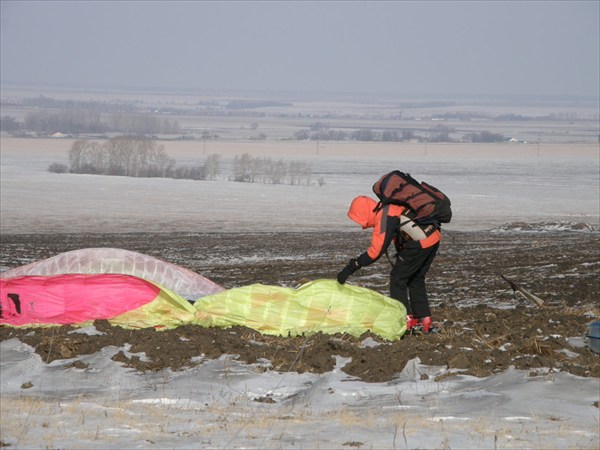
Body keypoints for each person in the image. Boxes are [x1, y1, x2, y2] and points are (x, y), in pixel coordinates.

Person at [336, 195, 441, 333]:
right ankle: (425, 320)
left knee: (398, 278)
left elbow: (375, 252)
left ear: (364, 212)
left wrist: (352, 266)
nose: (360, 223)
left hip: (420, 243)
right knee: (416, 278)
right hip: (433, 237)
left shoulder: (383, 217)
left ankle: (405, 320)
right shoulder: (391, 209)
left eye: (359, 217)